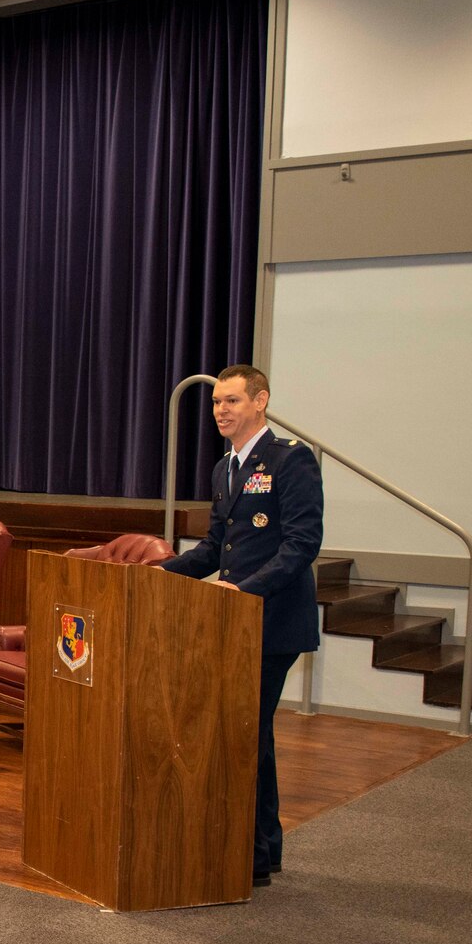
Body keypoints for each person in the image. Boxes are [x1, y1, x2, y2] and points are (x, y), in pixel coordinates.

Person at [160, 364, 323, 889]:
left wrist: (245, 591)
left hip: (272, 622)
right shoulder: (223, 467)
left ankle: (251, 854)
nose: (221, 411)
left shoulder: (290, 460)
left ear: (261, 401)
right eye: (215, 404)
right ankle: (263, 848)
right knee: (250, 732)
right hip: (235, 622)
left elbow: (301, 544)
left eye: (231, 401)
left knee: (244, 731)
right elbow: (213, 549)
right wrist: (153, 574)